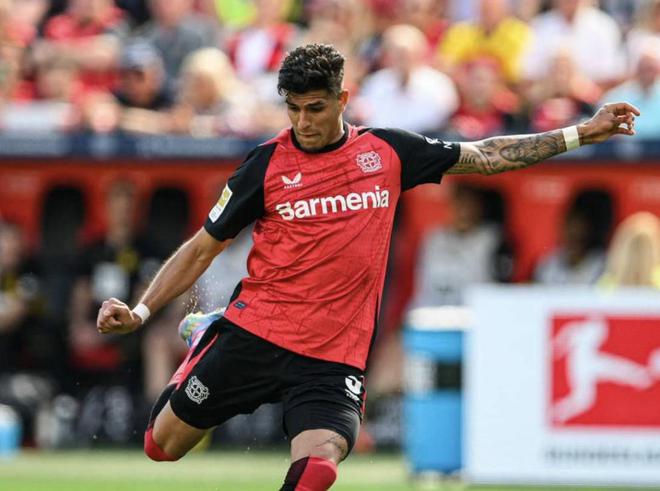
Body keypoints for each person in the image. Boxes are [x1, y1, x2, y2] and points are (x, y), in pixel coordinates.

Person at [96, 43, 639, 490]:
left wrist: (580, 133)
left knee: (318, 467)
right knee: (161, 447)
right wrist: (141, 312)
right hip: (254, 332)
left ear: (343, 99)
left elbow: (487, 155)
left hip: (331, 357)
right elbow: (201, 248)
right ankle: (206, 336)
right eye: (293, 109)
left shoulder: (388, 152)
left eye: (315, 108)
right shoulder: (265, 165)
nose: (303, 122)